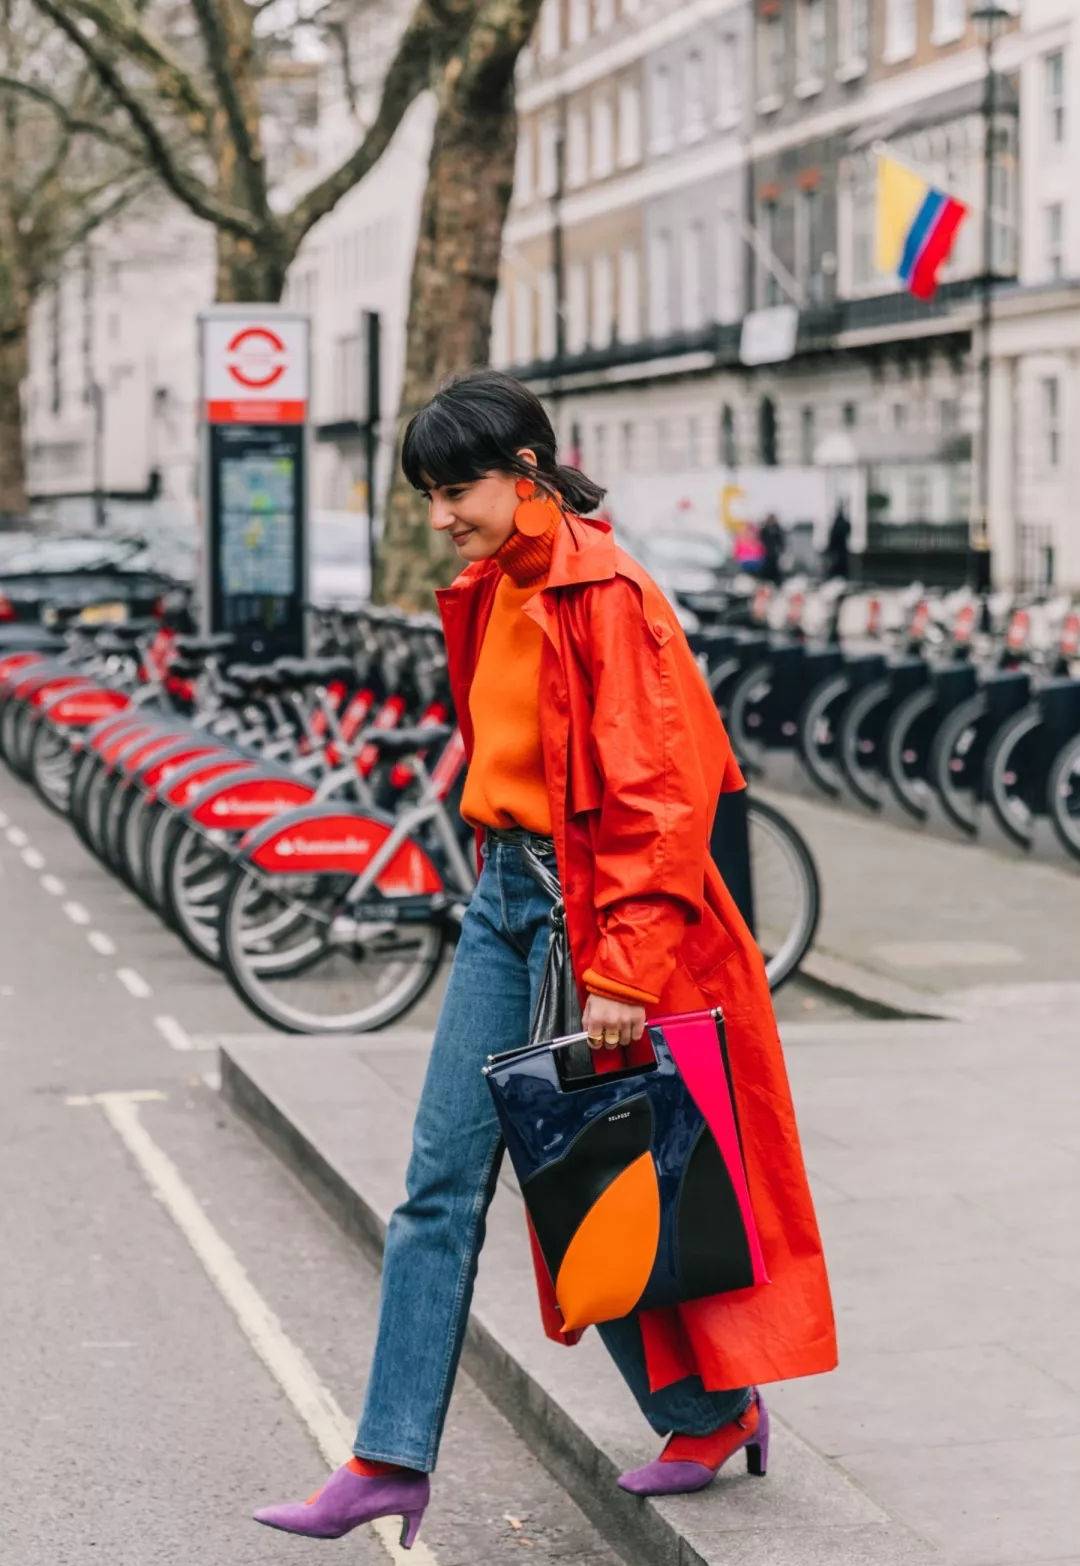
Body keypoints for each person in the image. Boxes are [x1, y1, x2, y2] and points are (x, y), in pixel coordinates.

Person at [252, 369, 836, 1549]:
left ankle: (710, 1409)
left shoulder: (608, 594)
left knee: (589, 1174)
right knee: (443, 1180)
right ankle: (388, 1459)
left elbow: (665, 796)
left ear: (526, 473)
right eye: (427, 492)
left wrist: (622, 969)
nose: (438, 516)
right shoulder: (491, 589)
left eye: (453, 488)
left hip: (590, 919)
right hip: (506, 902)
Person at [823, 501, 851, 580]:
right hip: (840, 553)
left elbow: (832, 539)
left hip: (838, 554)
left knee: (838, 573)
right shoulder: (841, 523)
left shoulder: (837, 524)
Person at [758, 512, 785, 585]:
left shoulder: (778, 530)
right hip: (766, 553)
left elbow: (781, 541)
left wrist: (780, 549)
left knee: (775, 569)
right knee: (767, 568)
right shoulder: (764, 530)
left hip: (774, 554)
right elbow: (761, 540)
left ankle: (777, 582)